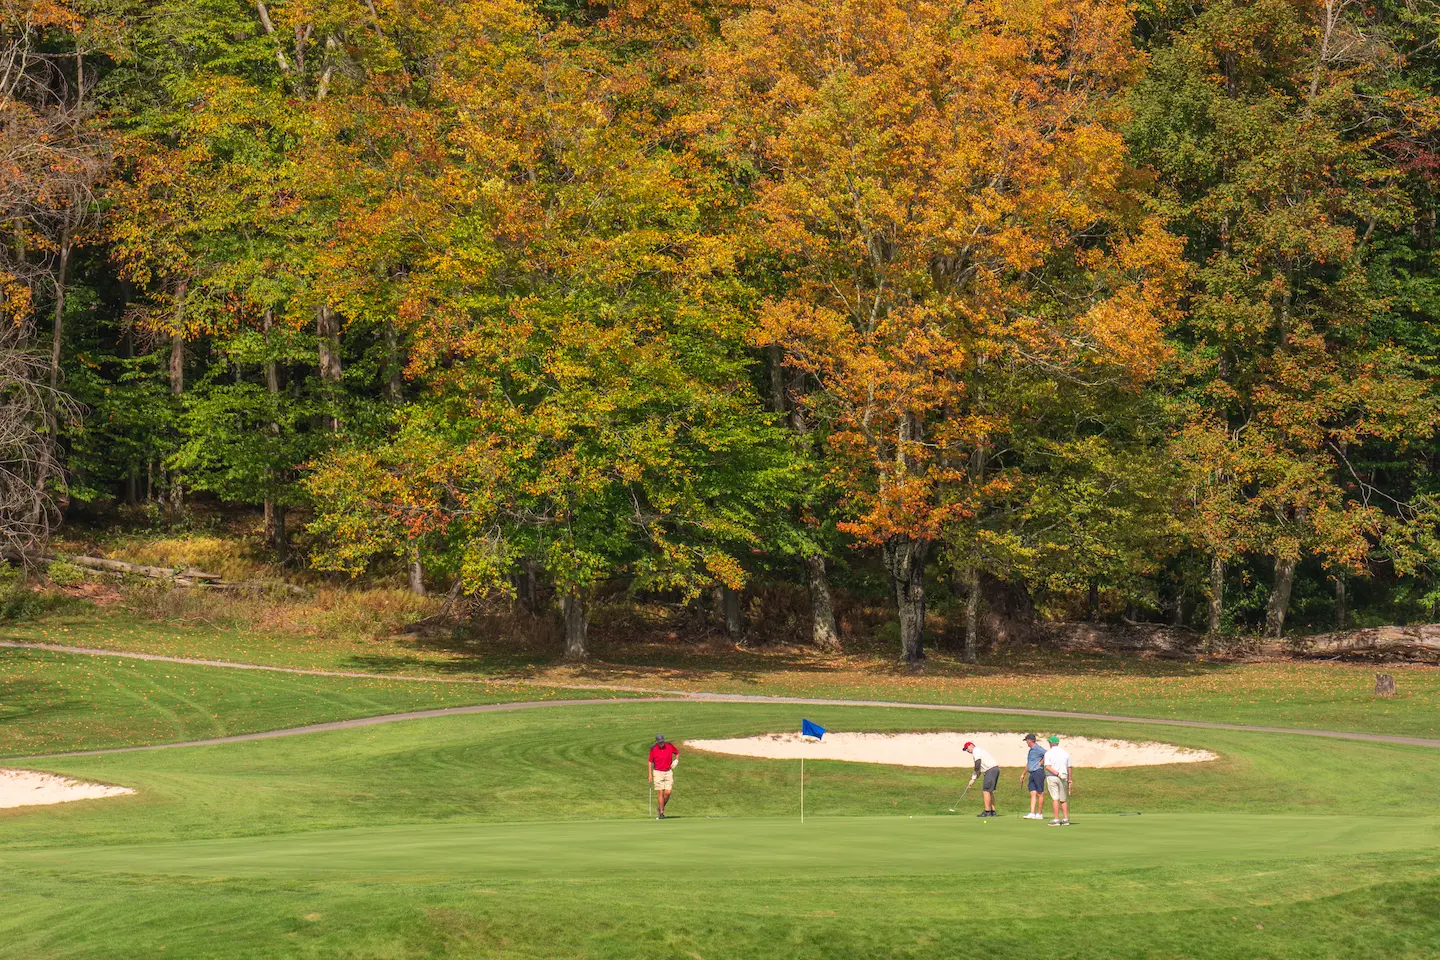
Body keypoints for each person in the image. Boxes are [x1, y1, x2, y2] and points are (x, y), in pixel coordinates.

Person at [961, 740, 1000, 817]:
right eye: (965, 749)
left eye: (967, 748)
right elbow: (978, 770)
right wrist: (973, 779)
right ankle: (993, 811)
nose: (967, 750)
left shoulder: (976, 750)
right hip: (994, 770)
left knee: (986, 791)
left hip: (990, 770)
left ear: (971, 745)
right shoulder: (978, 752)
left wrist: (973, 777)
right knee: (989, 791)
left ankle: (987, 811)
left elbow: (977, 764)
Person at [1042, 734, 1073, 826]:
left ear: (1051, 743)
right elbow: (1069, 767)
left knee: (1055, 798)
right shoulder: (1065, 753)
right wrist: (1070, 780)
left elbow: (1047, 767)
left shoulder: (1048, 753)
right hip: (1064, 776)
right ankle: (1066, 819)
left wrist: (1057, 773)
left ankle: (1056, 819)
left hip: (1053, 776)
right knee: (1063, 799)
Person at [648, 733, 679, 819]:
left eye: (662, 742)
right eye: (659, 742)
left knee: (668, 792)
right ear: (657, 742)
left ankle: (660, 807)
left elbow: (677, 752)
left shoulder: (669, 746)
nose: (661, 744)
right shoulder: (653, 749)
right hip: (658, 772)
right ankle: (661, 813)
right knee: (660, 792)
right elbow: (650, 762)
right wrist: (650, 774)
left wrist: (677, 760)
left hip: (668, 771)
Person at [1021, 734, 1047, 820]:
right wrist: (1023, 774)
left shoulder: (1038, 748)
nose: (1026, 743)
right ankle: (1032, 813)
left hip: (1038, 772)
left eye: (1027, 741)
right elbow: (1028, 763)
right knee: (1032, 793)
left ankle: (1039, 814)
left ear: (1030, 740)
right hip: (1032, 773)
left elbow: (1047, 754)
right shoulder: (1031, 751)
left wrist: (1041, 762)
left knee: (1040, 793)